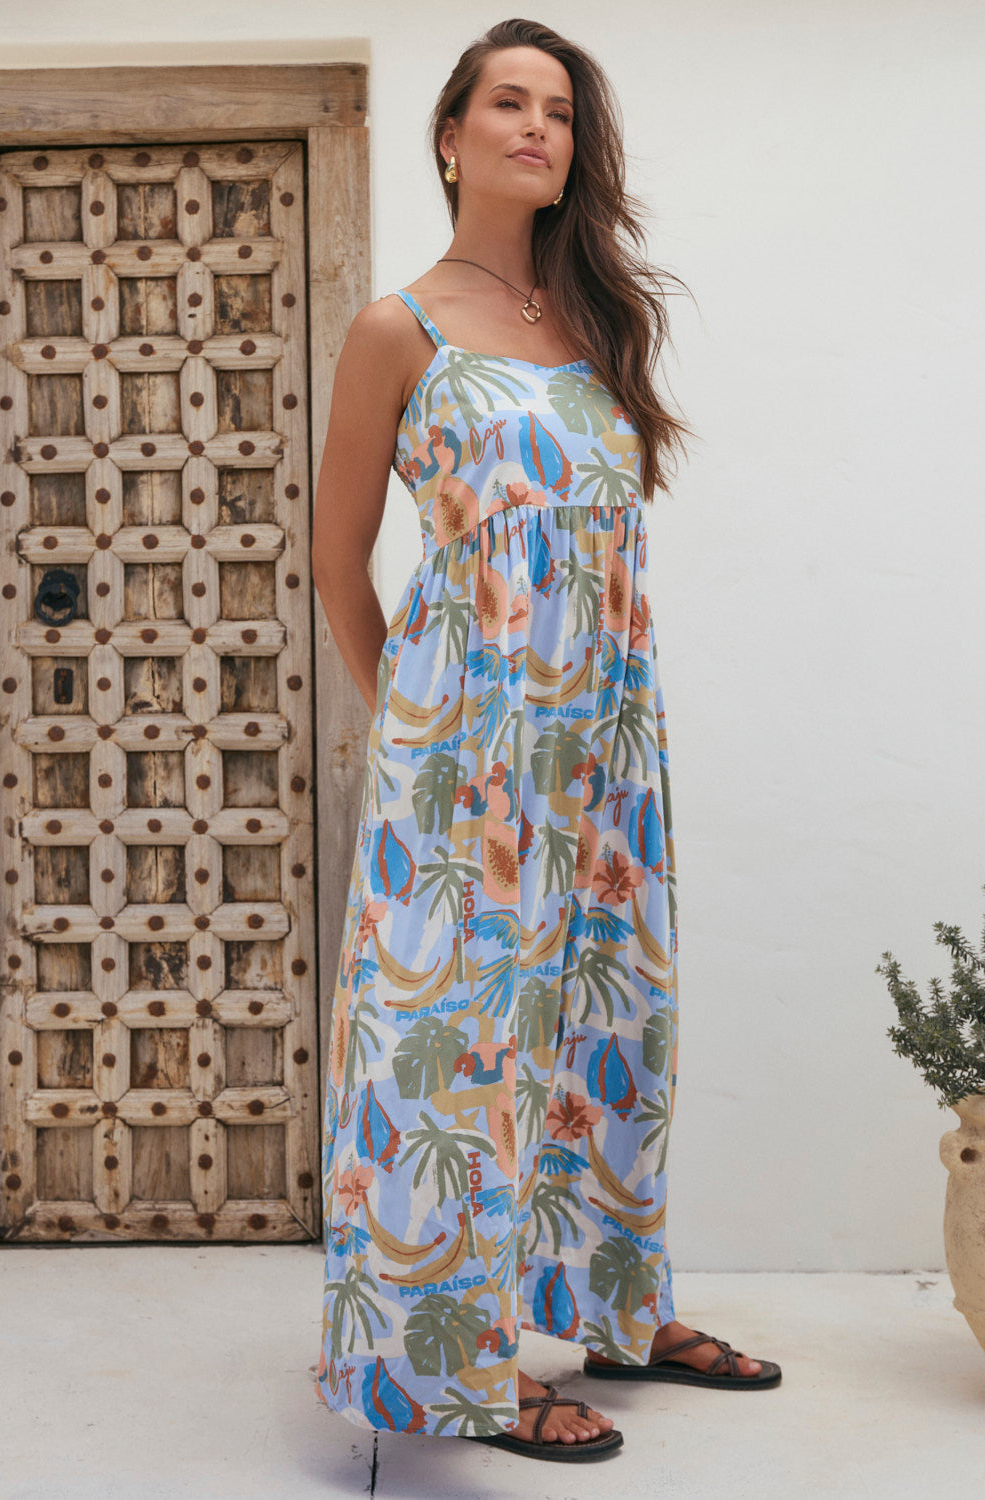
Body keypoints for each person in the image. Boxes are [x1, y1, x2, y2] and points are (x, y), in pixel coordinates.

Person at [310, 16, 780, 1463]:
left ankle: (616, 1310)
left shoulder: (597, 326)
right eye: (508, 103)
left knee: (604, 1020)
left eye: (560, 112)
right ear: (451, 139)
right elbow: (336, 559)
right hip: (465, 755)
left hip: (604, 746)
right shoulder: (400, 328)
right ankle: (457, 1366)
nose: (536, 126)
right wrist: (420, 729)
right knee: (450, 1044)